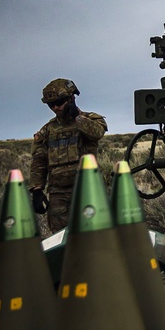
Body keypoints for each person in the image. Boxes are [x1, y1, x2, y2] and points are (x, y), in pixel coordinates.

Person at [31, 79, 108, 234]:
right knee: (61, 239)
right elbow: (39, 160)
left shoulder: (91, 119)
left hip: (88, 189)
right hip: (58, 193)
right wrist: (37, 190)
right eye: (51, 104)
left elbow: (96, 133)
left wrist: (77, 118)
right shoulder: (47, 130)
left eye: (59, 102)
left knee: (95, 235)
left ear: (71, 98)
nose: (56, 107)